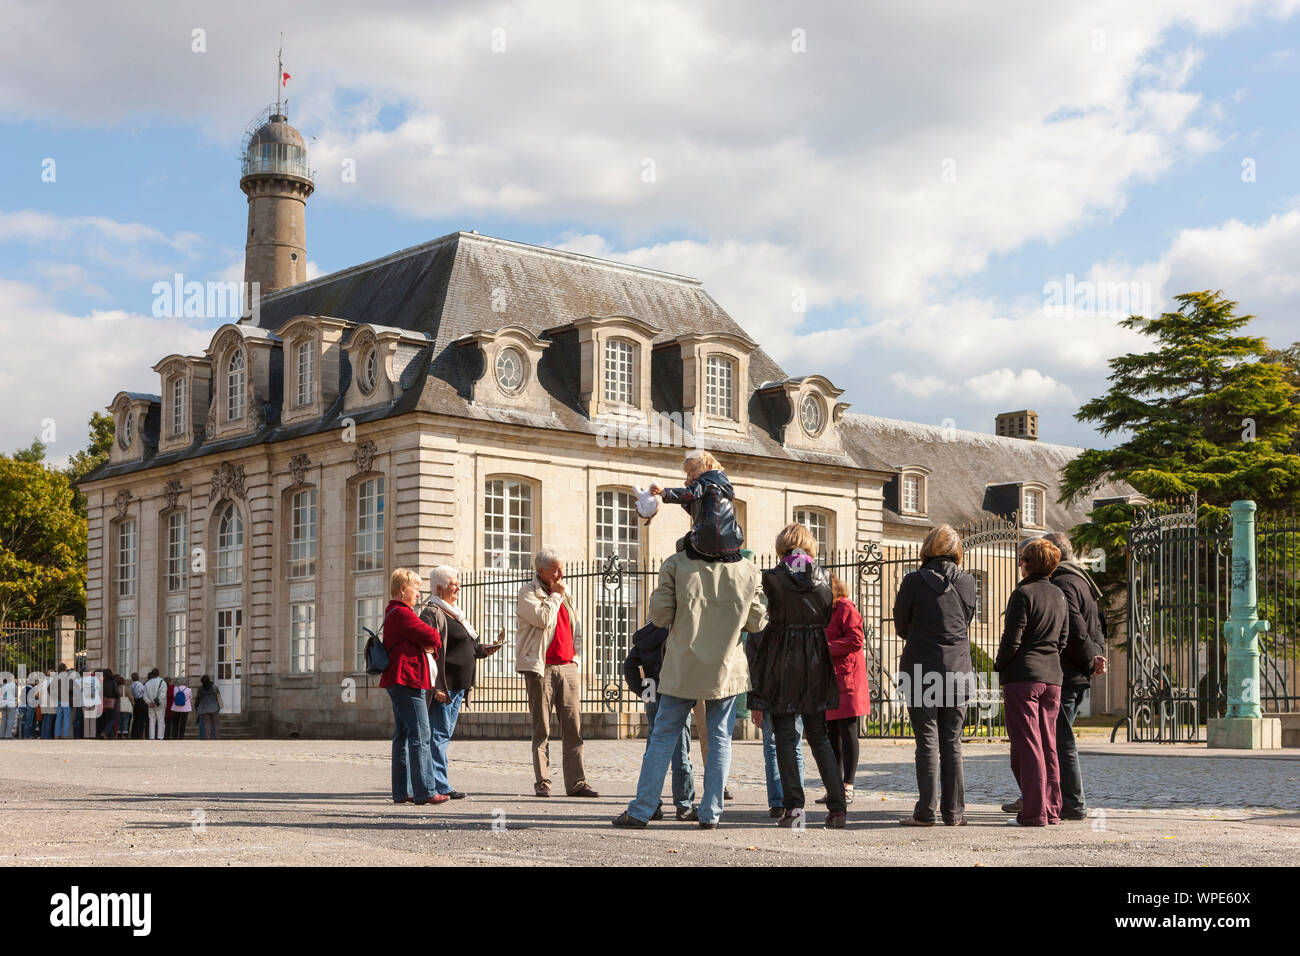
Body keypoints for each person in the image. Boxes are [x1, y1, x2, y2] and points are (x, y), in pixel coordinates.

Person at [613, 536, 767, 829]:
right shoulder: (748, 569)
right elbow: (758, 622)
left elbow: (660, 616)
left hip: (683, 665)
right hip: (725, 666)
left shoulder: (676, 565)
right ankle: (711, 813)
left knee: (663, 736)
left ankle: (641, 809)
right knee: (720, 738)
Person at [748, 523, 846, 829]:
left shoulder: (771, 577)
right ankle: (838, 807)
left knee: (786, 739)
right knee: (819, 737)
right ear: (809, 547)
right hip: (815, 658)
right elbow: (827, 615)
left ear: (782, 548)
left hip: (782, 659)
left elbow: (759, 619)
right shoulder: (825, 577)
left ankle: (794, 809)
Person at [893, 524, 978, 827]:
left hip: (920, 670)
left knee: (926, 742)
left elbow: (900, 626)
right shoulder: (967, 582)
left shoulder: (913, 581)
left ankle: (926, 811)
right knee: (952, 742)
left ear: (927, 548)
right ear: (957, 551)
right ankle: (954, 813)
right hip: (958, 671)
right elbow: (965, 620)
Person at [995, 537, 1069, 827]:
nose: (1019, 563)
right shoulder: (1060, 595)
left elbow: (1012, 639)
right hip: (1052, 676)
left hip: (1023, 677)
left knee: (1027, 745)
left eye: (1022, 559)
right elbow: (1063, 639)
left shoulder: (1023, 593)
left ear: (1028, 563)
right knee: (1048, 744)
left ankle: (1034, 812)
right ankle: (1051, 809)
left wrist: (999, 664)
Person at [516, 549, 599, 799]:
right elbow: (542, 618)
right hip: (541, 668)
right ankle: (543, 781)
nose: (560, 574)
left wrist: (576, 660)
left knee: (573, 727)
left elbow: (577, 628)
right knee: (541, 728)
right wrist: (554, 597)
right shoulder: (528, 593)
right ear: (541, 571)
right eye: (555, 570)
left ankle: (577, 783)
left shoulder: (564, 592)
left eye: (561, 569)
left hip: (567, 666)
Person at [420, 565, 503, 799]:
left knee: (441, 734)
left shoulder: (454, 612)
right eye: (453, 583)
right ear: (438, 587)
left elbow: (463, 648)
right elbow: (428, 654)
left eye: (457, 582)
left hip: (458, 686)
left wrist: (482, 650)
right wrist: (436, 686)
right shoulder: (433, 612)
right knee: (438, 735)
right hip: (445, 686)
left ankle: (435, 782)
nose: (458, 587)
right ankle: (438, 785)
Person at [381, 567, 444, 806]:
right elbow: (433, 638)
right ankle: (425, 790)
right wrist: (429, 642)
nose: (418, 594)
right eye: (415, 588)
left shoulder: (393, 612)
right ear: (402, 590)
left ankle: (402, 791)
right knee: (421, 734)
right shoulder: (402, 614)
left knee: (403, 735)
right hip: (408, 679)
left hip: (398, 680)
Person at [624, 621, 697, 820]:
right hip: (675, 692)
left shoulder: (644, 635)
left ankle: (652, 803)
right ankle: (684, 805)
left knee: (653, 751)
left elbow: (629, 666)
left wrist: (642, 690)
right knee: (681, 752)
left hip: (652, 691)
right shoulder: (678, 631)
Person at [821, 574, 870, 804]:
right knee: (831, 733)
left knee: (848, 731)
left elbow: (855, 639)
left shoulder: (845, 606)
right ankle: (835, 786)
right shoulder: (824, 610)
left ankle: (848, 784)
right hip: (830, 679)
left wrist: (825, 647)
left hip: (848, 679)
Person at [648, 450, 744, 559]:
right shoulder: (721, 482)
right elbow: (697, 513)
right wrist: (688, 499)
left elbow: (689, 494)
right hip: (732, 540)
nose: (691, 475)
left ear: (707, 465)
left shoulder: (707, 481)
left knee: (680, 544)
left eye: (693, 470)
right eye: (688, 473)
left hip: (711, 540)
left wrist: (663, 492)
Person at [143, 669, 168, 740]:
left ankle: (152, 736)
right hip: (160, 705)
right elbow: (163, 694)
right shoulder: (162, 682)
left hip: (150, 704)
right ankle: (160, 737)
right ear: (158, 674)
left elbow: (144, 696)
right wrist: (158, 701)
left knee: (151, 720)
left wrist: (149, 702)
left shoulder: (147, 683)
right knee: (161, 720)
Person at [195, 675, 222, 740]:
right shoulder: (214, 687)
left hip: (204, 708)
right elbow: (218, 696)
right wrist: (219, 706)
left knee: (207, 725)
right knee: (216, 724)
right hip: (214, 708)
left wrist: (196, 705)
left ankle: (207, 739)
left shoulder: (200, 689)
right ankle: (217, 738)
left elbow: (198, 698)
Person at [81, 668, 101, 740]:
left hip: (85, 701)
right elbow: (98, 688)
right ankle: (92, 735)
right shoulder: (95, 679)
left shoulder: (82, 680)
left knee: (86, 719)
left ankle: (86, 735)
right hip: (93, 701)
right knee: (93, 719)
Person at [54, 663, 73, 739]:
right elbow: (70, 688)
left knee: (58, 717)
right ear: (65, 669)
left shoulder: (56, 677)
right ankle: (65, 734)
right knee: (66, 717)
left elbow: (49, 688)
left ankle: (57, 734)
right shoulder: (67, 677)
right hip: (65, 699)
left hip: (58, 699)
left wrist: (55, 695)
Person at [98, 668, 118, 740]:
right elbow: (116, 692)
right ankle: (105, 732)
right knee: (112, 719)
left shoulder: (103, 682)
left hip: (105, 701)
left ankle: (110, 736)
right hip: (112, 701)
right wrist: (117, 698)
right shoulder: (113, 682)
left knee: (108, 719)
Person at [129, 672, 147, 739]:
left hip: (136, 702)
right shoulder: (141, 684)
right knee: (141, 720)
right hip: (142, 702)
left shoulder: (132, 685)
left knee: (135, 719)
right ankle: (139, 735)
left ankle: (134, 735)